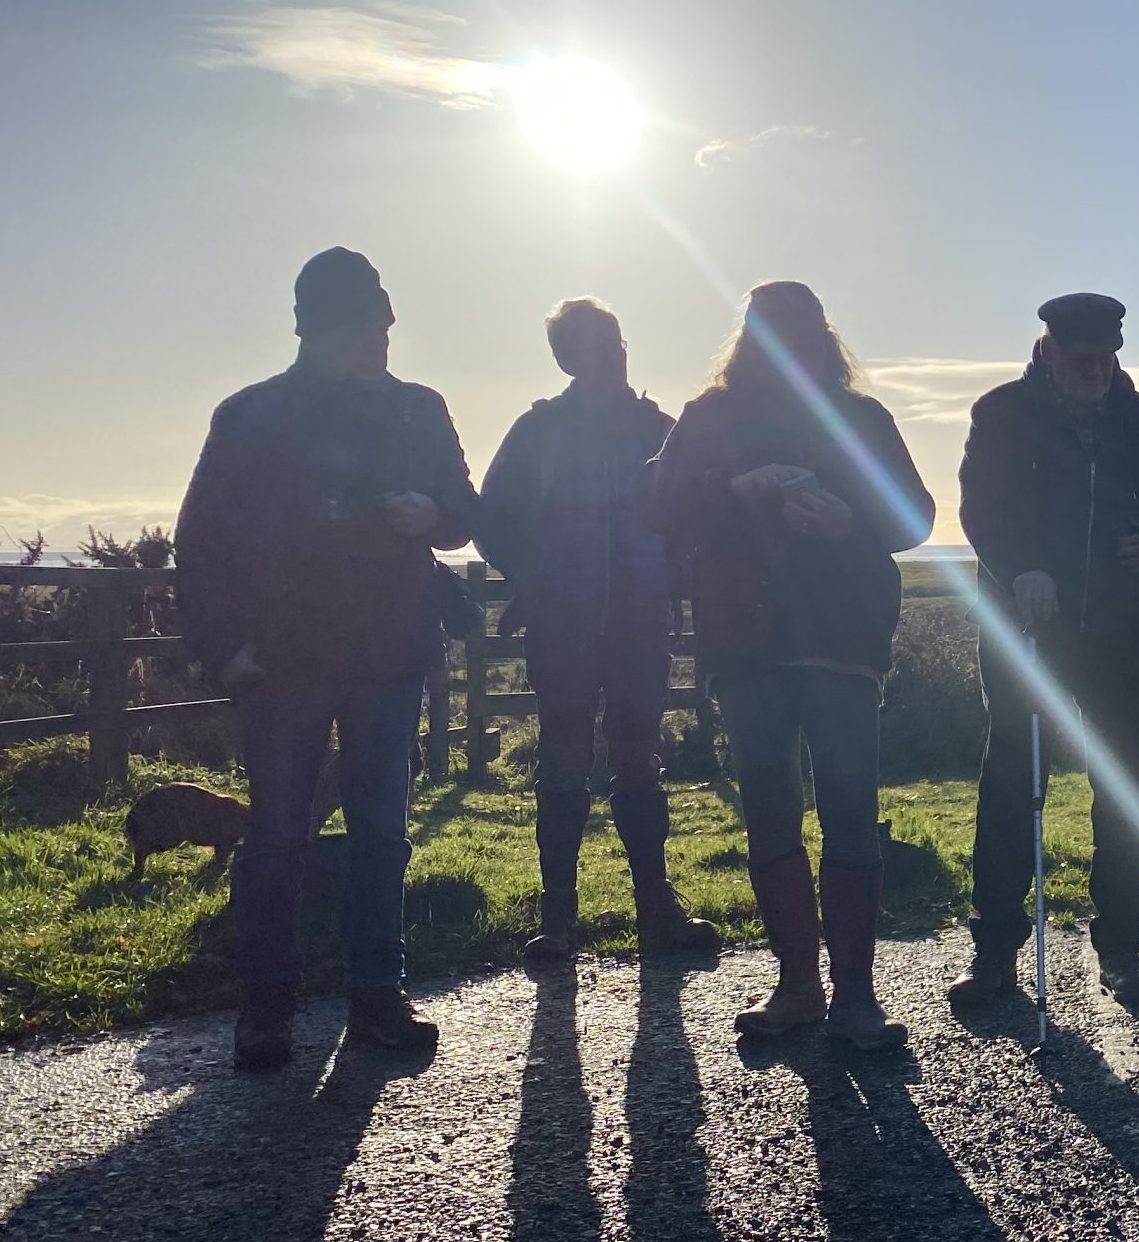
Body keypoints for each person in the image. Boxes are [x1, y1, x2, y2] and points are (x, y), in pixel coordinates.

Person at [176, 247, 479, 1070]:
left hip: (390, 654)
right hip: (283, 659)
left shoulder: (420, 409)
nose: (377, 342)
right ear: (313, 329)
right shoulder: (248, 415)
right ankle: (265, 1005)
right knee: (276, 834)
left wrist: (435, 511)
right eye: (359, 328)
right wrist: (221, 648)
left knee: (383, 830)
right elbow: (201, 541)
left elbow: (463, 508)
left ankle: (378, 994)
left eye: (383, 325)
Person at [648, 281, 934, 1049]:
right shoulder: (709, 420)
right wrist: (733, 486)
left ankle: (857, 996)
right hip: (748, 642)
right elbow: (659, 503)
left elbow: (914, 515)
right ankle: (798, 984)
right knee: (771, 807)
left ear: (818, 338)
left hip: (841, 637)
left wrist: (849, 519)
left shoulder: (863, 420)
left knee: (847, 808)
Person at [950, 293, 1139, 1010]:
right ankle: (994, 949)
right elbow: (980, 506)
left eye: (1106, 357)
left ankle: (1122, 948)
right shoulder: (1000, 414)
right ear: (1047, 351)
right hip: (1029, 627)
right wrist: (1018, 565)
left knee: (1125, 789)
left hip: (1125, 637)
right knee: (1010, 785)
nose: (1096, 370)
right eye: (1081, 359)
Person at [476, 298, 718, 963]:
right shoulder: (539, 431)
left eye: (614, 340)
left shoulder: (658, 429)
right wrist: (539, 579)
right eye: (594, 344)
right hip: (562, 626)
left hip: (640, 624)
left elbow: (696, 515)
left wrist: (674, 578)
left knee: (639, 759)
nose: (611, 354)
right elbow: (491, 517)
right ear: (566, 358)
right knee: (562, 760)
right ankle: (558, 919)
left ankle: (655, 909)